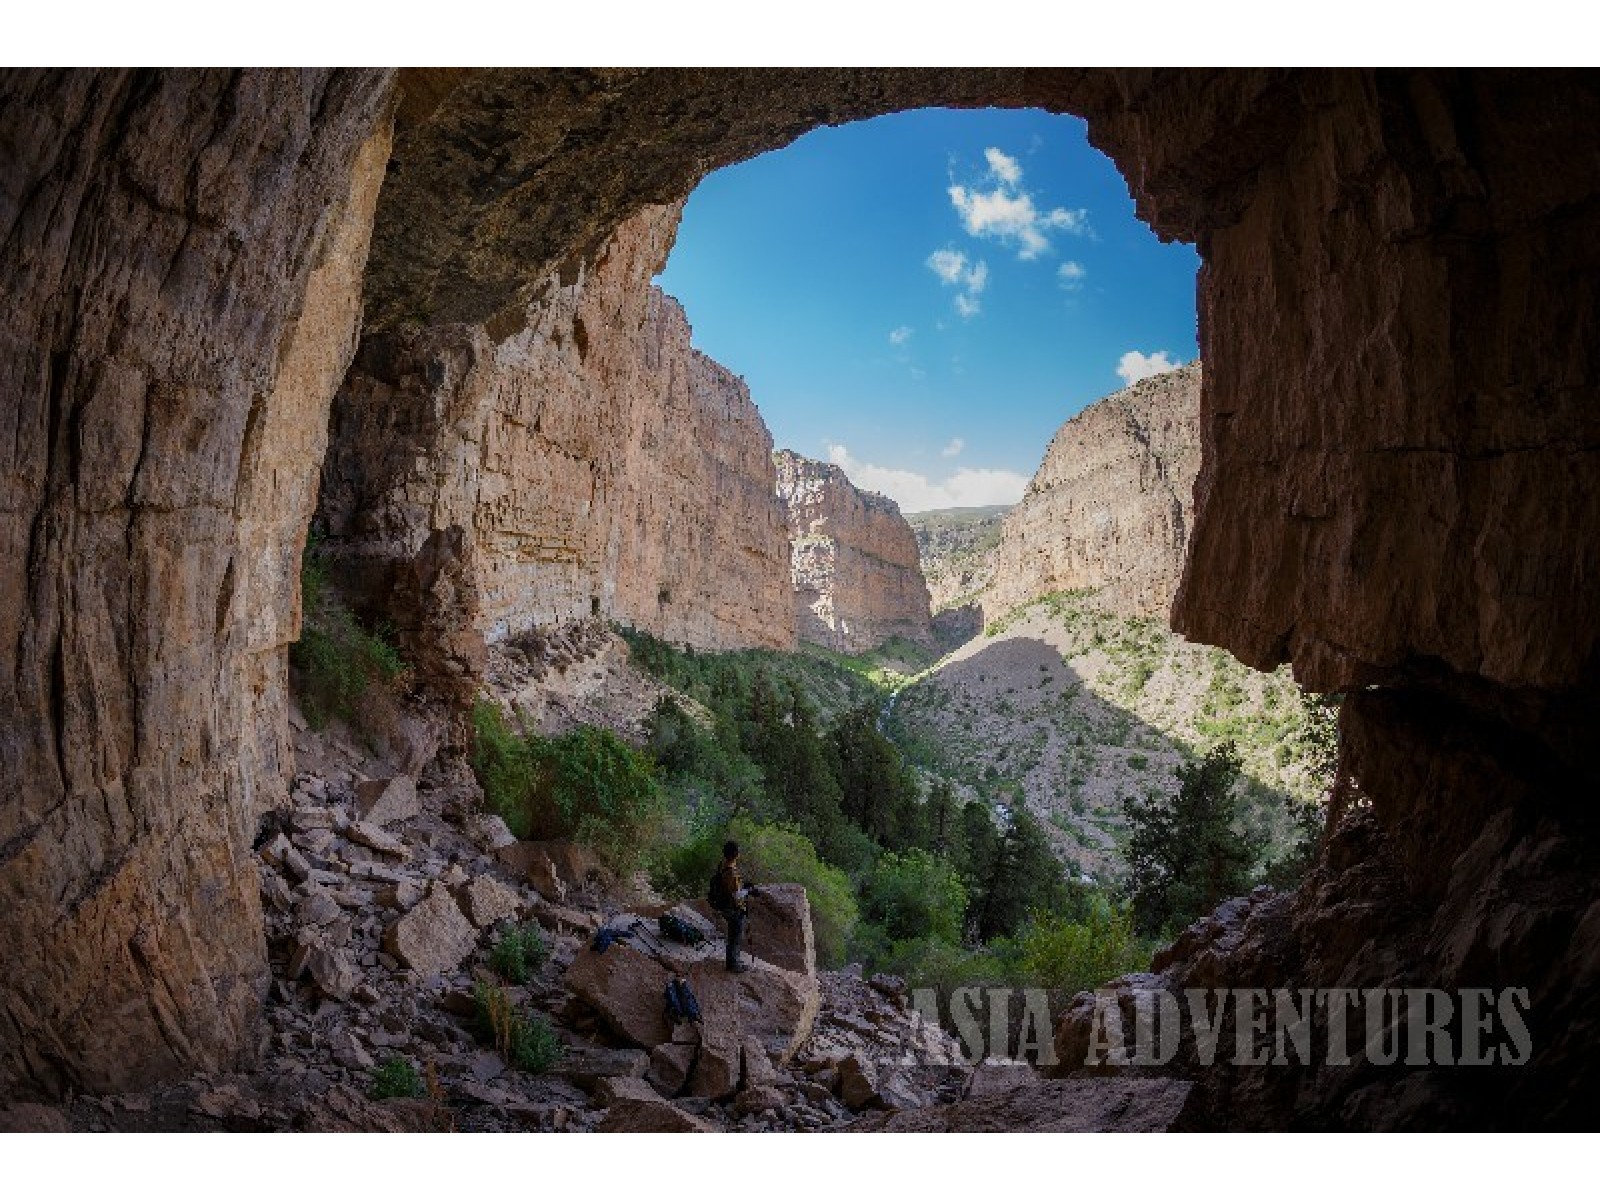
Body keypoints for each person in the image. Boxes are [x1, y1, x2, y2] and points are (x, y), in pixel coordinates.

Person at [713, 840, 752, 973]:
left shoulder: (722, 865)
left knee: (733, 935)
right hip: (732, 907)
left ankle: (734, 960)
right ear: (736, 854)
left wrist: (743, 886)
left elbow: (729, 887)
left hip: (724, 905)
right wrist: (749, 891)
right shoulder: (731, 872)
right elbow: (736, 895)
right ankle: (733, 964)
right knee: (736, 936)